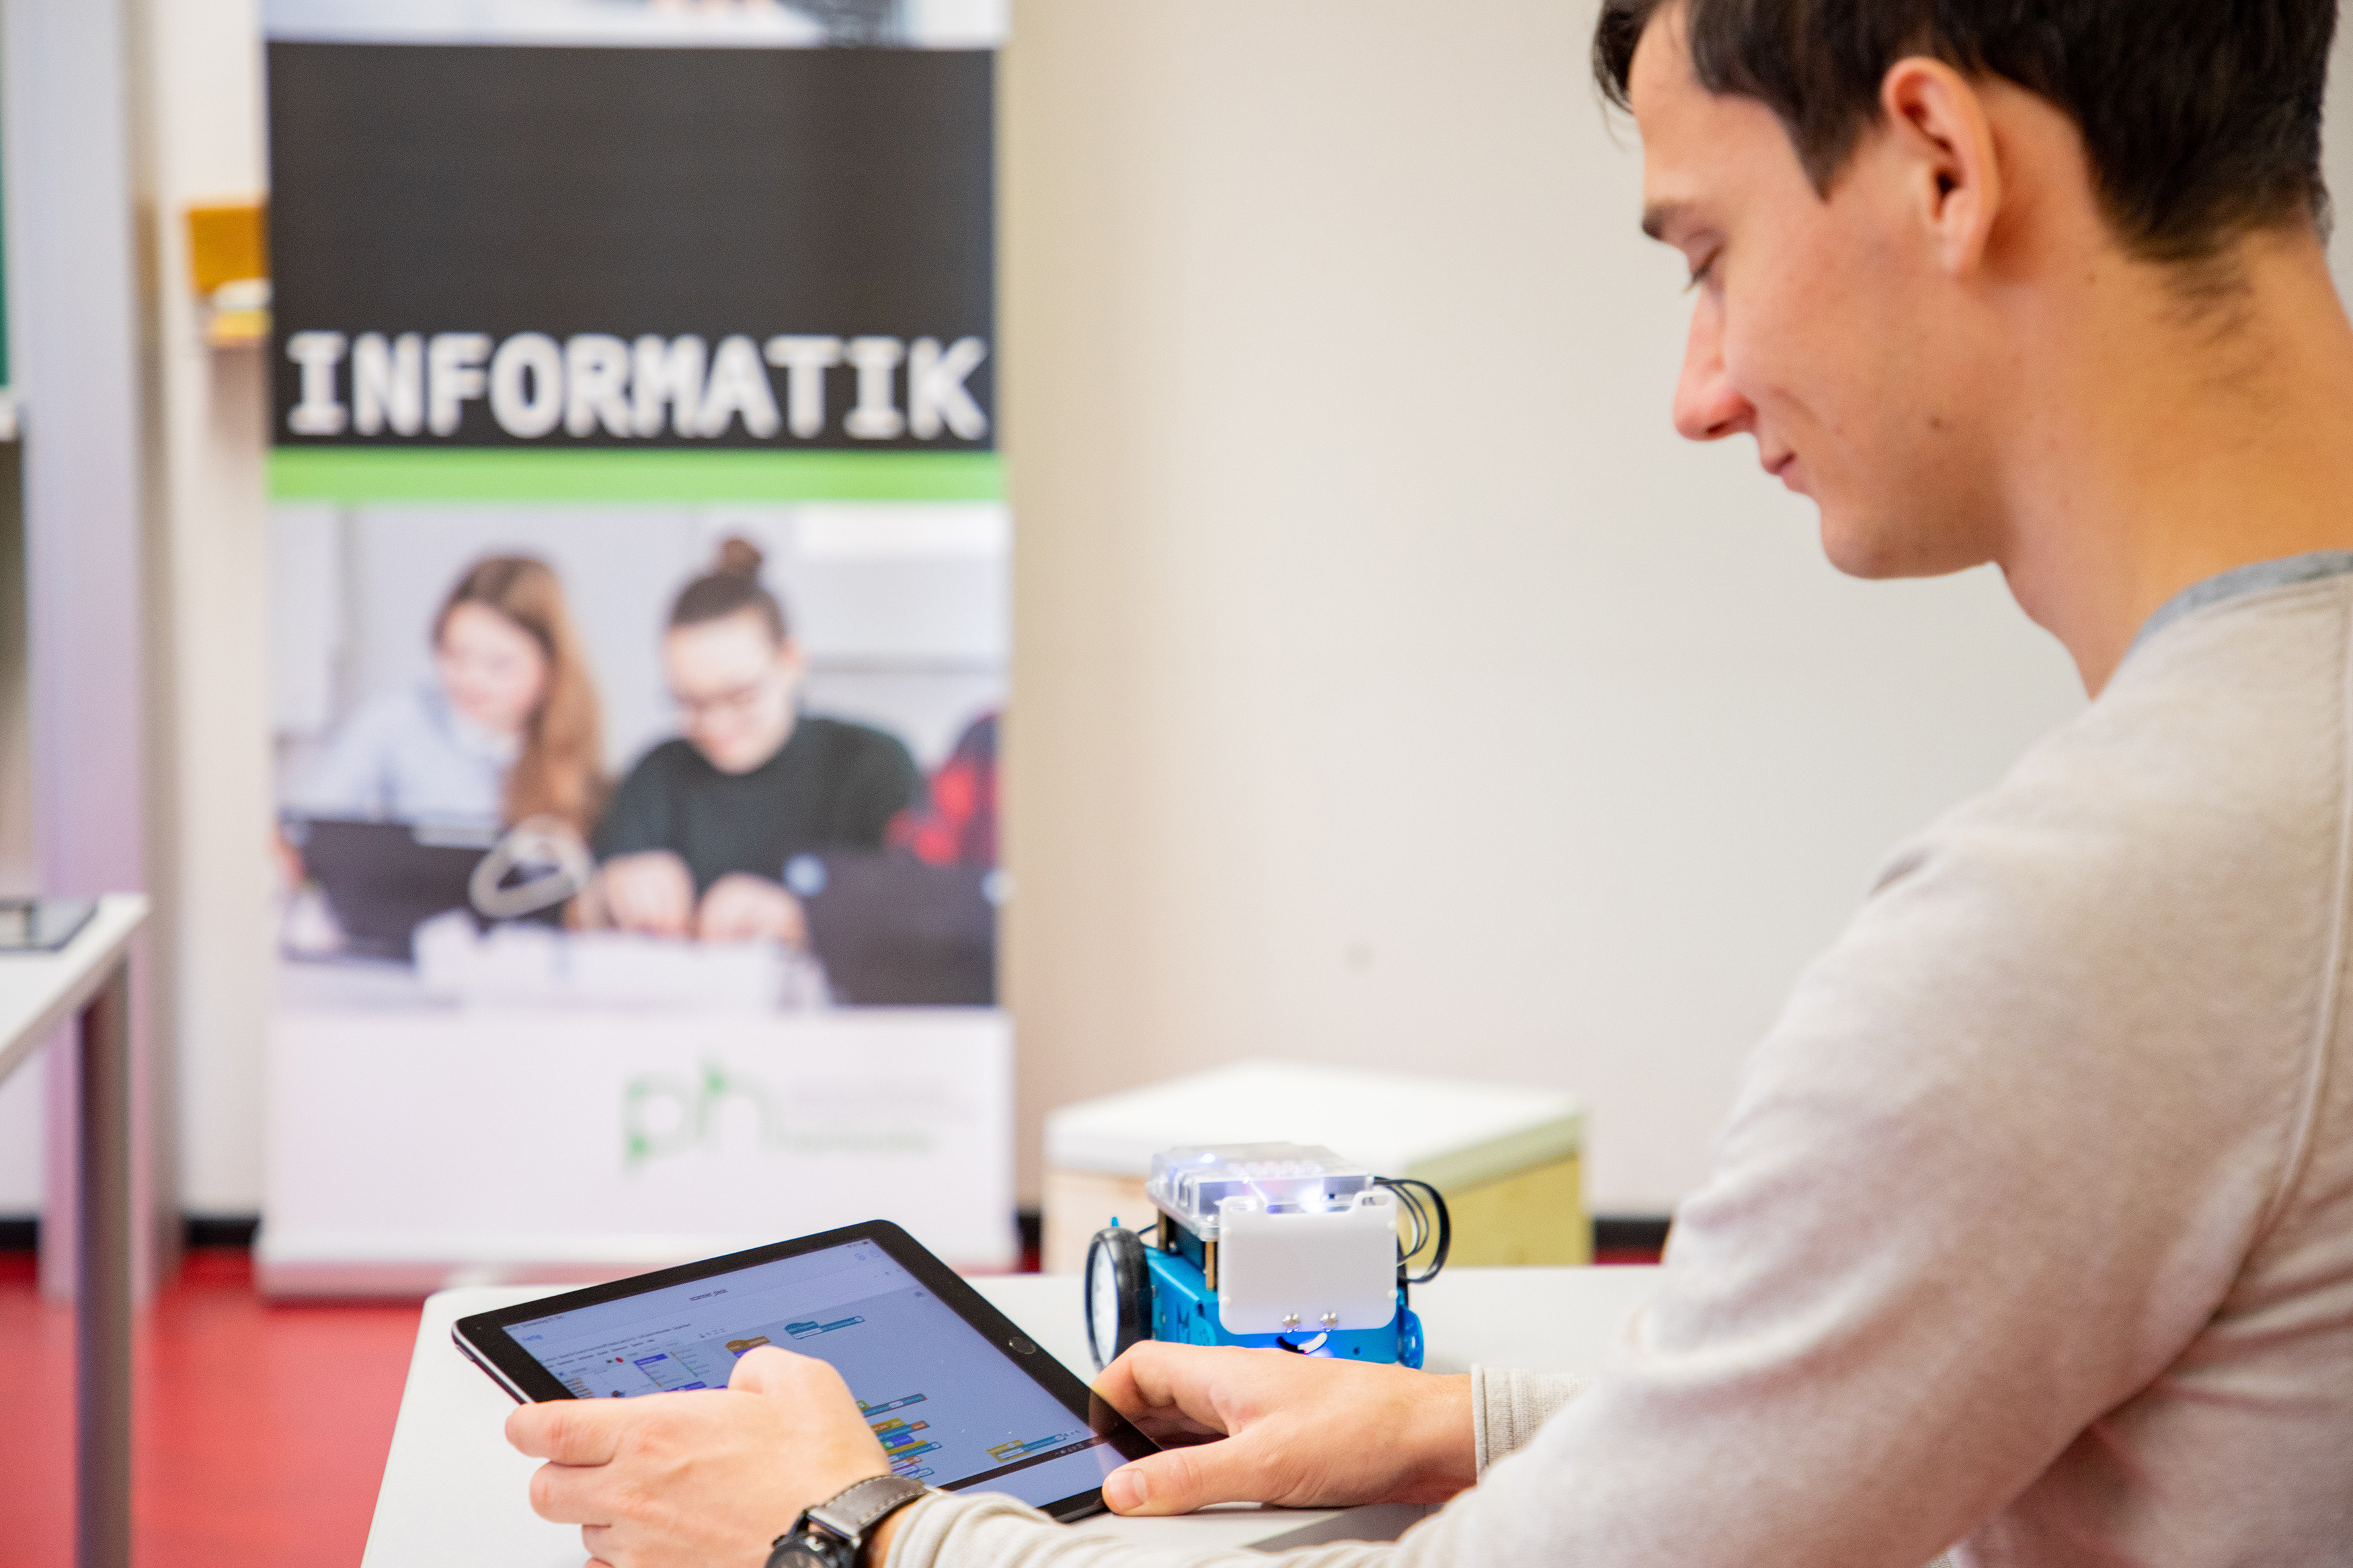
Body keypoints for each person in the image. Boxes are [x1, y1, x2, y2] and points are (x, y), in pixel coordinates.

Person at [505, 1, 2353, 1564]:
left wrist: (855, 1525)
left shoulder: (2093, 920)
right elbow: (2018, 1392)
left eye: (1707, 256)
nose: (1700, 389)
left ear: (1942, 163)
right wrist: (1470, 1422)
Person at [582, 538, 922, 945]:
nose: (715, 724)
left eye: (740, 697)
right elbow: (582, 905)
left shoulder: (872, 765)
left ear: (791, 662)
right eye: (690, 702)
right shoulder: (657, 773)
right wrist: (608, 895)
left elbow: (923, 912)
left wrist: (805, 917)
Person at [286, 554, 604, 837]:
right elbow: (307, 825)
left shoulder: (568, 750)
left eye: (499, 664)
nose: (472, 679)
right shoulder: (397, 717)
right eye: (456, 655)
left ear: (549, 666)